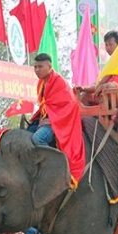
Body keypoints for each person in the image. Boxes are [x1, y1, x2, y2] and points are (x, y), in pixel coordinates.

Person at [26, 53, 85, 183]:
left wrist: (52, 120)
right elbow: (47, 105)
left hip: (59, 122)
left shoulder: (59, 82)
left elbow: (69, 107)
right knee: (25, 135)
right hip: (47, 119)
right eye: (35, 67)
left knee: (38, 138)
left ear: (49, 66)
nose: (37, 70)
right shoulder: (41, 83)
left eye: (40, 66)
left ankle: (52, 166)